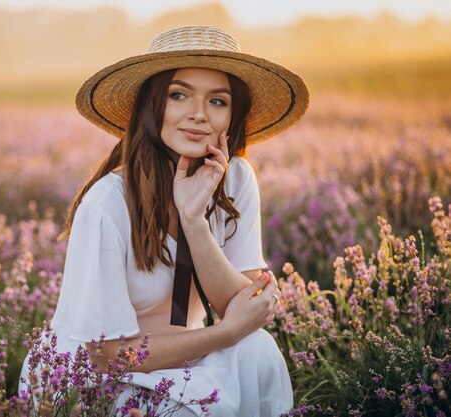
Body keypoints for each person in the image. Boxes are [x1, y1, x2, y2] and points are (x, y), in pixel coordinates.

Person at [19, 25, 309, 416]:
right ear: (152, 106)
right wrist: (223, 333)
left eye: (218, 101)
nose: (199, 115)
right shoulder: (107, 204)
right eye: (179, 95)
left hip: (184, 356)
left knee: (258, 351)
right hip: (91, 380)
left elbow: (243, 309)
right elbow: (106, 356)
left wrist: (194, 219)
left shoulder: (236, 178)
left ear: (233, 115)